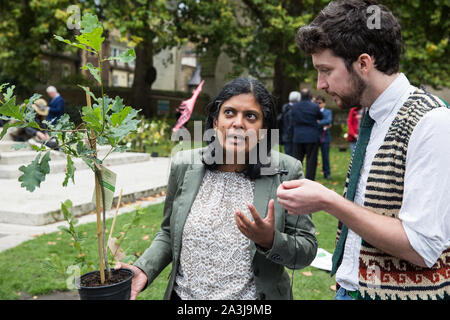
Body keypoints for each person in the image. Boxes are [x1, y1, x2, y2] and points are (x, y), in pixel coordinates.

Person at [278, 0, 450, 300]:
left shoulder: (431, 122)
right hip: (351, 288)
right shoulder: (373, 115)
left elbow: (421, 246)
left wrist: (328, 200)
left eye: (326, 70)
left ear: (363, 64)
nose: (320, 84)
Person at [115, 77, 318, 300]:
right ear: (215, 122)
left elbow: (306, 249)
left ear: (264, 129)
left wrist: (270, 241)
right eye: (229, 112)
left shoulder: (286, 171)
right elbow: (168, 233)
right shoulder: (184, 165)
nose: (238, 123)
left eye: (251, 116)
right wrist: (144, 268)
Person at [291, 88, 323, 180]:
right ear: (310, 96)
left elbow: (292, 118)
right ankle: (310, 180)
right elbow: (320, 116)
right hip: (311, 136)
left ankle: (296, 178)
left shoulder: (295, 107)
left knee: (297, 160)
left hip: (298, 136)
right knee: (311, 160)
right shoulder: (314, 106)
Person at [278, 91, 301, 156]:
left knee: (288, 156)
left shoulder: (285, 108)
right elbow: (291, 125)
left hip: (286, 137)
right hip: (293, 137)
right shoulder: (294, 110)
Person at [316, 96, 332, 179]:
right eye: (317, 103)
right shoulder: (314, 111)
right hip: (315, 137)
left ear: (324, 103)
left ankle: (327, 173)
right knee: (314, 157)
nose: (318, 105)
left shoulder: (328, 112)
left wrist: (318, 122)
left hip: (325, 137)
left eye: (320, 103)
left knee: (325, 156)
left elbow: (328, 121)